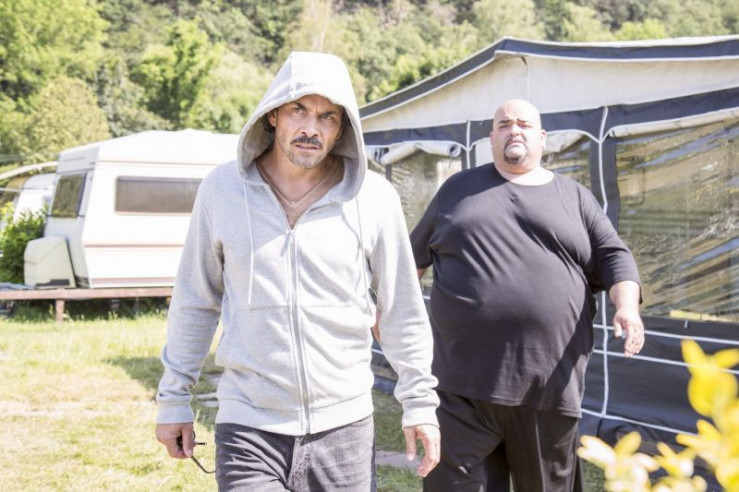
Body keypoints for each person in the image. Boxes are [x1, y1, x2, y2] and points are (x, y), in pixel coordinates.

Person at [155, 51, 440, 491]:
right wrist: (174, 397)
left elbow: (401, 307)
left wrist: (419, 402)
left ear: (343, 128)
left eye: (327, 116)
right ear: (273, 115)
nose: (311, 128)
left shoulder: (373, 197)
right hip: (248, 425)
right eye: (299, 110)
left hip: (345, 429)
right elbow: (196, 299)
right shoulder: (222, 189)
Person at [410, 99, 644, 491]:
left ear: (542, 137)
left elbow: (614, 256)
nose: (513, 130)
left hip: (548, 388)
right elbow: (410, 263)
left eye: (523, 123)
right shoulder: (457, 191)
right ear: (491, 138)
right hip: (460, 388)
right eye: (504, 124)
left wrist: (627, 307)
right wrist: (385, 310)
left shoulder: (575, 197)